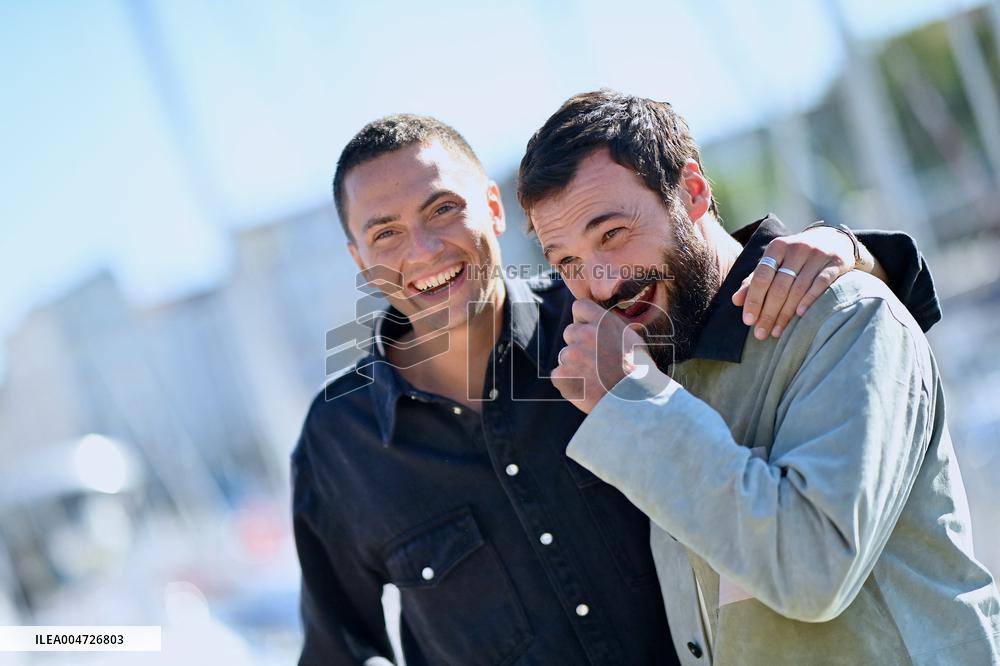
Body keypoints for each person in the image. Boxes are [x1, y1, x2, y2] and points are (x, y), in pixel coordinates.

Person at [292, 113, 941, 665]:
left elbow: (735, 295)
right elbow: (340, 648)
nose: (426, 248)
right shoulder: (336, 443)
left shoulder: (611, 319)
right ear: (358, 258)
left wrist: (856, 251)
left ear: (492, 209)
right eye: (386, 233)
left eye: (443, 208)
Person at [519, 90, 1000, 665]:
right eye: (566, 261)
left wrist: (632, 401)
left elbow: (811, 568)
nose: (599, 284)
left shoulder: (844, 317)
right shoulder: (658, 364)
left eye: (612, 234)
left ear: (693, 192)